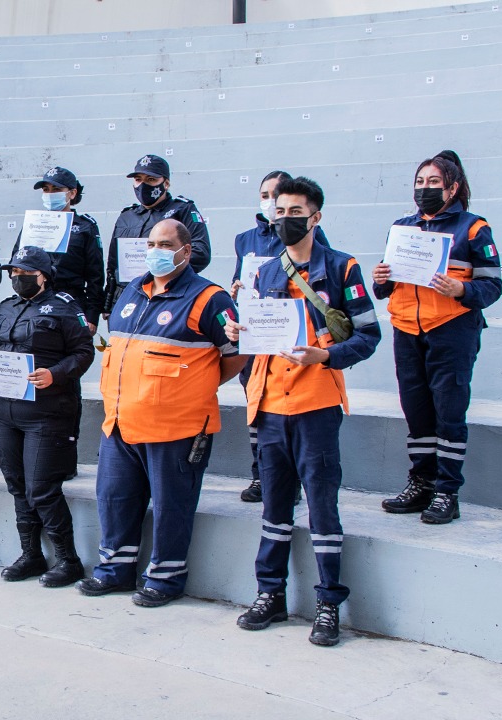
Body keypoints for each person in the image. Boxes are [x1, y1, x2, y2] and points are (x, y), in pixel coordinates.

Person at [226, 176, 380, 647]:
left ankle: (328, 603)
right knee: (274, 507)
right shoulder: (265, 273)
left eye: (296, 212)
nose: (285, 219)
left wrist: (326, 355)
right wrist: (238, 334)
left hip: (316, 404)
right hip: (270, 403)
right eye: (280, 211)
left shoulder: (342, 267)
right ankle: (269, 594)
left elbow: (368, 336)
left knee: (321, 506)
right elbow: (257, 335)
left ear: (316, 218)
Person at [77, 219, 244, 607]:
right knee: (114, 497)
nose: (156, 251)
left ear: (186, 251)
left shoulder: (210, 298)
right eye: (151, 243)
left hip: (177, 426)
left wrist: (193, 385)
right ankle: (115, 570)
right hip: (120, 422)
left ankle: (166, 579)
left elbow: (235, 357)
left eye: (166, 244)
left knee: (172, 505)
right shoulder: (132, 290)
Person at [373, 155, 502, 524]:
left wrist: (462, 289)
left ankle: (447, 492)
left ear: (452, 187)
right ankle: (421, 483)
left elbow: (493, 285)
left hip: (451, 329)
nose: (424, 188)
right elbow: (385, 288)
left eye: (433, 182)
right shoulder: (401, 228)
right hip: (406, 329)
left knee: (449, 413)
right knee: (416, 412)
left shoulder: (473, 228)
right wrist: (381, 279)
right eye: (420, 181)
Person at [0, 246, 94, 587]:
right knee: (17, 485)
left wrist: (55, 374)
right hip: (2, 410)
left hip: (45, 412)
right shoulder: (5, 306)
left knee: (41, 488)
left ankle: (68, 560)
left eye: (25, 272)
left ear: (43, 275)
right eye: (13, 272)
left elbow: (83, 352)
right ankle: (30, 554)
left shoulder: (64, 307)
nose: (18, 278)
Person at [231, 171, 330, 503]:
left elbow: (321, 283)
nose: (270, 202)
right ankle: (260, 475)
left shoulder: (309, 235)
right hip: (260, 337)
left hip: (294, 341)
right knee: (256, 406)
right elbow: (241, 280)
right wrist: (237, 289)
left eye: (275, 195)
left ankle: (292, 481)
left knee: (289, 416)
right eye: (264, 195)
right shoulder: (245, 239)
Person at [12, 166, 103, 478]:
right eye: (46, 190)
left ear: (72, 193)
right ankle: (34, 452)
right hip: (35, 307)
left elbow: (96, 275)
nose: (50, 195)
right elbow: (16, 262)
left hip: (69, 308)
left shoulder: (85, 227)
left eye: (56, 189)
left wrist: (91, 316)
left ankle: (65, 456)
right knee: (36, 373)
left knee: (67, 378)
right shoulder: (32, 223)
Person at [103, 154, 212, 314]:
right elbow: (113, 264)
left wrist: (163, 269)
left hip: (167, 295)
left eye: (151, 180)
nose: (143, 185)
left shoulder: (183, 210)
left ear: (166, 183)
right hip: (127, 297)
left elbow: (201, 252)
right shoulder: (126, 216)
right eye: (138, 180)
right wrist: (108, 304)